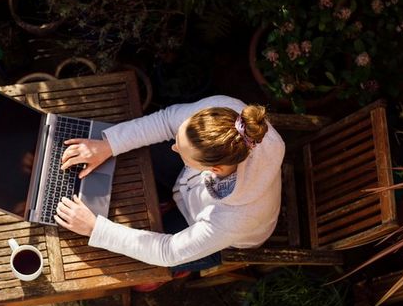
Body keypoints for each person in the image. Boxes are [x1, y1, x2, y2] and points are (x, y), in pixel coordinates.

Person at [54, 95, 285, 290]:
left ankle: (183, 269)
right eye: (178, 140)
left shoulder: (234, 219)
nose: (173, 147)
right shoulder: (224, 115)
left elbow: (169, 250)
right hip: (193, 186)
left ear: (213, 169)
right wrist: (108, 145)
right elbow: (165, 121)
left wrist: (95, 229)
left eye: (181, 151)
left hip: (221, 235)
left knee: (140, 270)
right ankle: (171, 198)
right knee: (143, 151)